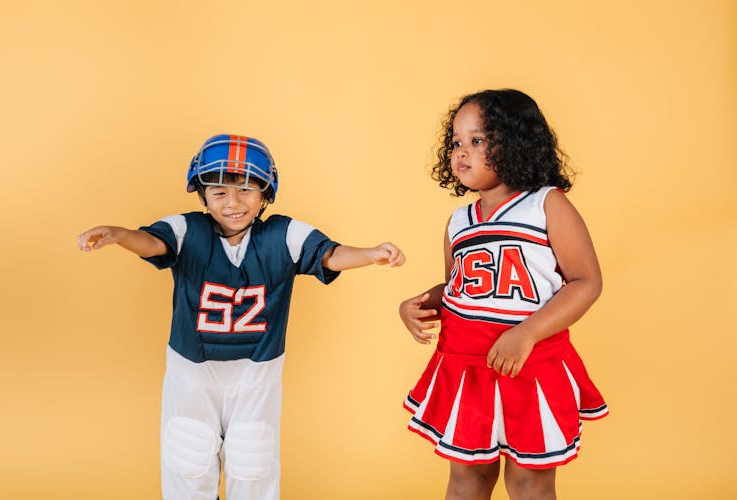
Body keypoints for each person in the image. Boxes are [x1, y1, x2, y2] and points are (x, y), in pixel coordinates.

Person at [77, 134, 405, 500]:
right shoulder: (189, 229)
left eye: (246, 189)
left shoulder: (284, 234)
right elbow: (154, 244)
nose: (233, 203)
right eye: (219, 193)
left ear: (266, 192)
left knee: (253, 463)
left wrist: (370, 254)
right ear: (202, 196)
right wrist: (120, 235)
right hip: (193, 373)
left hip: (256, 374)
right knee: (188, 458)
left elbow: (328, 255)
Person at [399, 90, 608, 500]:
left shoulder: (546, 205)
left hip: (529, 367)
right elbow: (461, 287)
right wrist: (423, 303)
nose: (462, 153)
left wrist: (526, 333)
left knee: (529, 481)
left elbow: (586, 281)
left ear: (514, 142)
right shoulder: (459, 221)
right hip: (467, 369)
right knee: (467, 479)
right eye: (456, 142)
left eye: (477, 141)